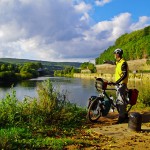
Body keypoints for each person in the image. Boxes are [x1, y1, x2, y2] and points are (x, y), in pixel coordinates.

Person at [107, 48, 129, 123]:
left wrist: (117, 82)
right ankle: (125, 114)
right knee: (121, 99)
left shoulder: (123, 63)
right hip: (118, 84)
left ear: (118, 54)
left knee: (120, 101)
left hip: (122, 84)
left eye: (115, 54)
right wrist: (107, 62)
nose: (114, 55)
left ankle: (122, 117)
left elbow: (124, 74)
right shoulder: (118, 62)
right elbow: (113, 62)